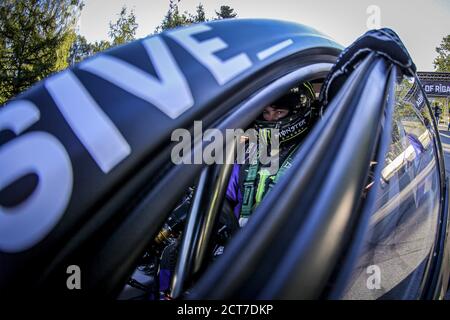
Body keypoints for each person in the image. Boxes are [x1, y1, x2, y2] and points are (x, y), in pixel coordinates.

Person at [225, 82, 317, 227]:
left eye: (279, 112)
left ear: (297, 111)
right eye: (266, 112)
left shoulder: (314, 151)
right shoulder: (248, 150)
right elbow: (224, 198)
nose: (270, 119)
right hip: (237, 239)